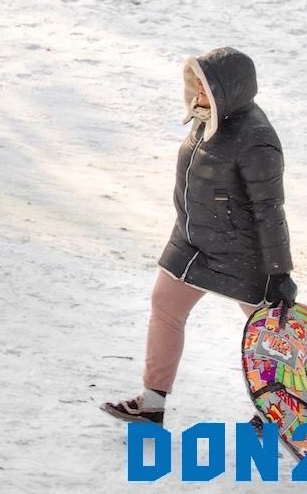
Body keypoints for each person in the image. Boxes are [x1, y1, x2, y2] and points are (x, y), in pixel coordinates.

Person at [103, 47, 296, 426]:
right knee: (165, 306)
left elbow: (269, 208)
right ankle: (151, 403)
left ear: (229, 89)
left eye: (206, 86)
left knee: (269, 334)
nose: (197, 91)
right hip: (192, 243)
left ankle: (281, 409)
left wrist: (279, 271)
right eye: (196, 83)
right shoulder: (209, 119)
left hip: (241, 253)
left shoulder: (256, 138)